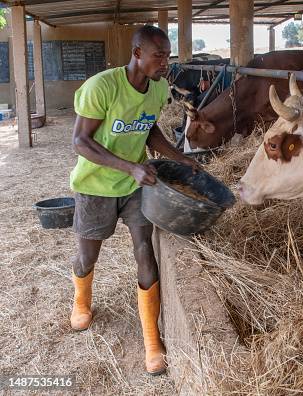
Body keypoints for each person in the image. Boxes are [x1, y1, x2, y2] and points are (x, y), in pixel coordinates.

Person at [69, 25, 197, 376]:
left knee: (144, 248)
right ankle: (82, 301)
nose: (165, 62)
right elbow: (80, 141)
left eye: (168, 56)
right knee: (87, 254)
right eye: (159, 55)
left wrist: (178, 157)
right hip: (96, 185)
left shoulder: (157, 89)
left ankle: (152, 340)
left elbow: (148, 127)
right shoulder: (103, 87)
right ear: (137, 53)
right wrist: (130, 167)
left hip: (135, 186)